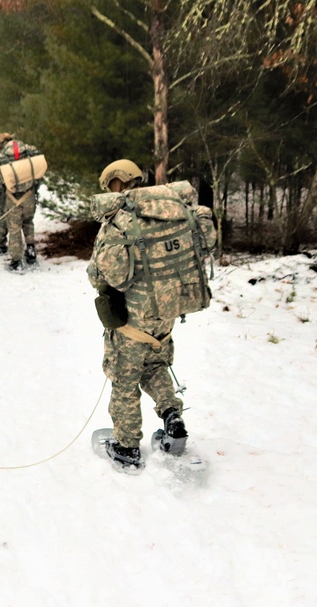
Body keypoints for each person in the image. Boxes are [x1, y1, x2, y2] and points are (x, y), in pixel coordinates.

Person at [86, 159, 216, 472]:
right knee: (156, 365)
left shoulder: (121, 220)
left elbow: (100, 275)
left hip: (134, 317)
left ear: (116, 183)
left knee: (125, 379)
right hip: (169, 309)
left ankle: (127, 446)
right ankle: (172, 416)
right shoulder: (171, 211)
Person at [0, 133, 41, 271]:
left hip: (13, 198)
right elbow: (38, 172)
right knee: (28, 222)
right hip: (29, 196)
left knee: (14, 228)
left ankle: (16, 261)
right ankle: (31, 251)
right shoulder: (29, 151)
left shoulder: (1, 158)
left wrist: (6, 189)